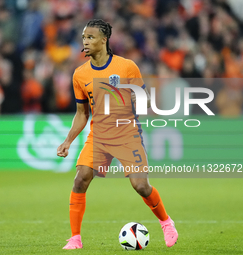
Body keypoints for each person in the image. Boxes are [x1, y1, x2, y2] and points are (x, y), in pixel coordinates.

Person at [57, 19, 178, 250]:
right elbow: (82, 113)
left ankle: (166, 223)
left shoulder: (126, 67)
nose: (85, 41)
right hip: (99, 137)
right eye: (84, 37)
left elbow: (145, 102)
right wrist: (68, 140)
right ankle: (75, 238)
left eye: (90, 37)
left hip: (127, 135)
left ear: (104, 40)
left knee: (141, 186)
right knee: (81, 178)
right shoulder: (79, 75)